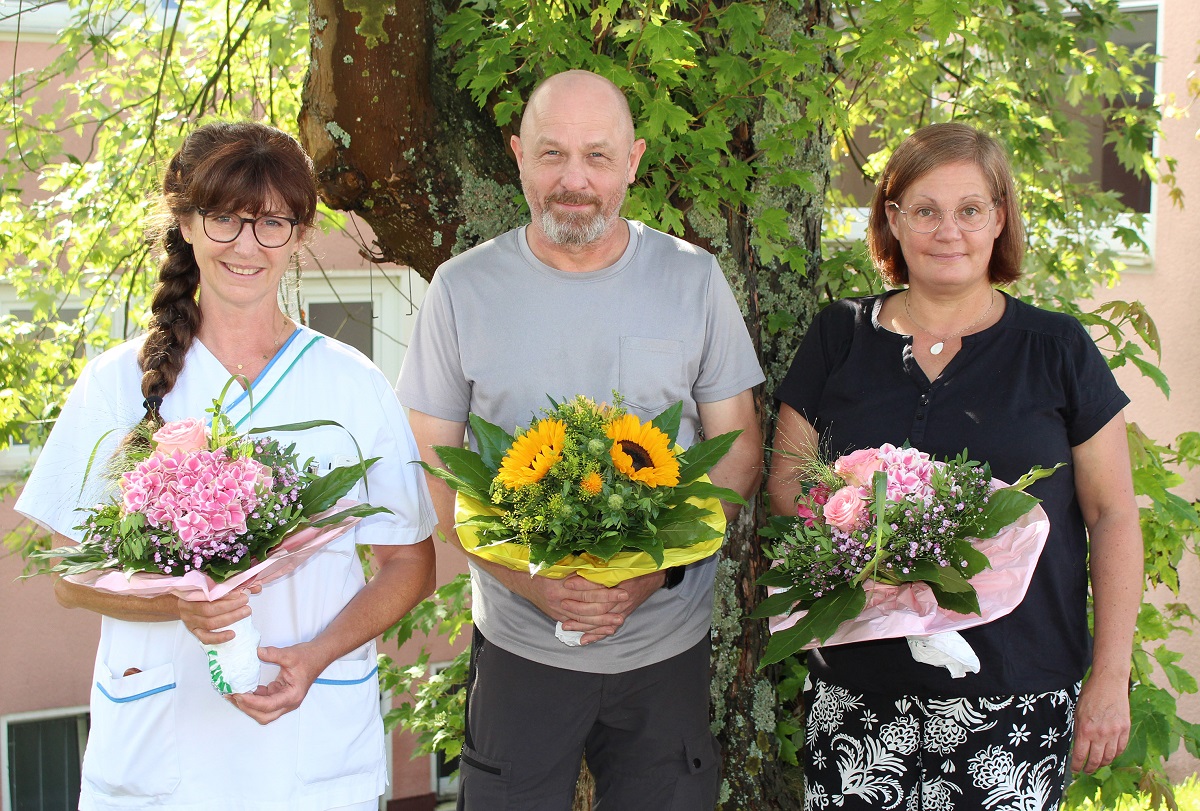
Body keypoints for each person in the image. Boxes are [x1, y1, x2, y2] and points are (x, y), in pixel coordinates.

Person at [15, 121, 438, 811]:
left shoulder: (351, 383)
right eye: (224, 218)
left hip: (309, 747)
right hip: (163, 752)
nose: (248, 246)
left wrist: (316, 655)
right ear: (184, 221)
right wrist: (171, 604)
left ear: (301, 233)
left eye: (272, 221)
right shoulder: (114, 385)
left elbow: (408, 562)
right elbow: (70, 575)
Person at [396, 69, 764, 810]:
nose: (574, 180)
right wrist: (527, 579)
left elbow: (740, 449)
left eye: (597, 156)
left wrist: (651, 573)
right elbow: (434, 466)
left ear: (633, 161)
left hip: (666, 651)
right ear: (518, 156)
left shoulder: (693, 279)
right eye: (552, 153)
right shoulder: (460, 289)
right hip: (519, 648)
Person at [766, 122, 1142, 809]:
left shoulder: (1057, 349)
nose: (949, 230)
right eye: (926, 209)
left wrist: (1109, 676)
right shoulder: (839, 334)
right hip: (858, 691)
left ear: (999, 218)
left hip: (1015, 693)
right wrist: (866, 531)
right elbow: (789, 483)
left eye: (970, 209)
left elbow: (1113, 513)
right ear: (893, 220)